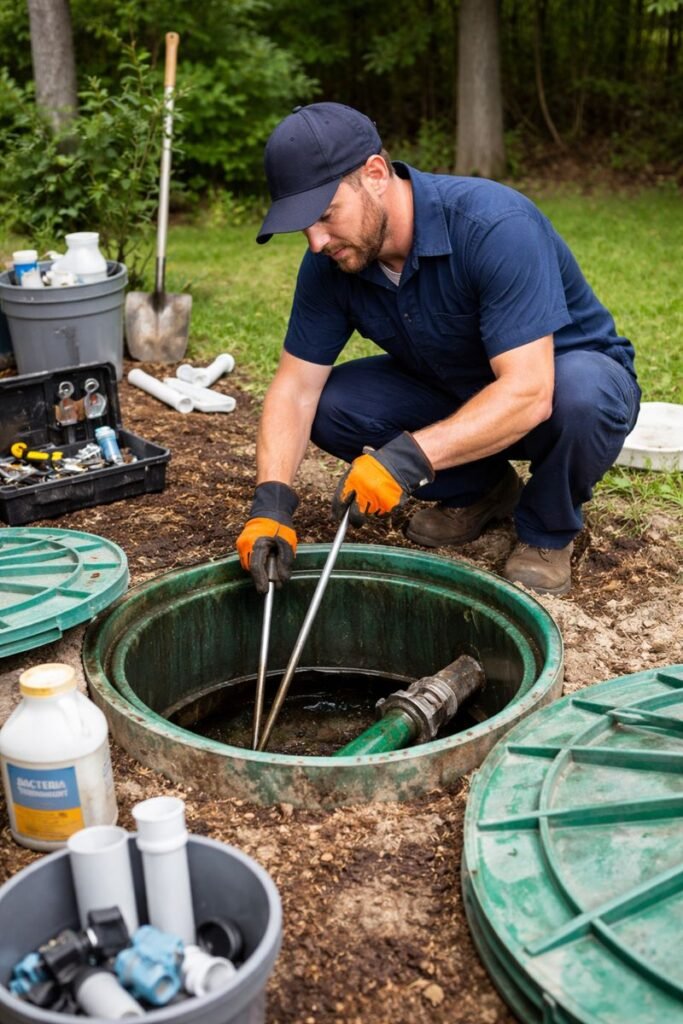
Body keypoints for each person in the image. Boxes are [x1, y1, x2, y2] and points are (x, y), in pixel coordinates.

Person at [236, 102, 640, 597]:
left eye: (325, 215)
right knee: (330, 405)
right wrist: (271, 507)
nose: (316, 241)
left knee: (584, 395)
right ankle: (482, 492)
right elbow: (295, 388)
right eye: (303, 227)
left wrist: (406, 459)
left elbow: (531, 392)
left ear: (376, 174)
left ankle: (547, 530)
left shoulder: (493, 225)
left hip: (556, 391)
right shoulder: (331, 262)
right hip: (455, 388)